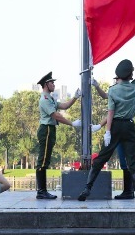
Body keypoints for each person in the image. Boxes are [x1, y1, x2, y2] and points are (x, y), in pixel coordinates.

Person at [78, 43, 135, 203]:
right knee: (132, 160)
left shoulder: (113, 90)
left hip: (115, 126)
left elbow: (111, 112)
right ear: (131, 75)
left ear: (118, 75)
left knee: (101, 158)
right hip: (129, 126)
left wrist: (107, 131)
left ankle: (87, 188)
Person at [36, 71, 81, 199]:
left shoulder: (50, 98)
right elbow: (56, 115)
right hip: (46, 130)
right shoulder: (44, 100)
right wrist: (72, 123)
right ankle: (41, 191)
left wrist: (75, 97)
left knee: (45, 160)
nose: (54, 85)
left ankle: (42, 191)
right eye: (51, 83)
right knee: (43, 160)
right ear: (46, 85)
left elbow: (64, 106)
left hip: (50, 129)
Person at [91, 78, 133, 199]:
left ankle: (129, 191)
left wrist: (102, 127)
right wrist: (97, 86)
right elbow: (105, 96)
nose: (115, 81)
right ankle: (128, 191)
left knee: (125, 161)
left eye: (117, 79)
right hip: (117, 130)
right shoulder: (115, 92)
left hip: (120, 129)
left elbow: (111, 113)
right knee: (123, 159)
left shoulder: (125, 92)